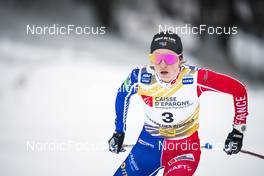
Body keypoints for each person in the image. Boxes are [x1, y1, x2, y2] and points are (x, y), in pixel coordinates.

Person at [108, 31, 248, 176]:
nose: (162, 64)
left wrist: (238, 131)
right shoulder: (140, 77)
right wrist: (119, 131)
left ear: (180, 59)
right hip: (147, 147)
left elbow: (238, 90)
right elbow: (122, 95)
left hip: (184, 150)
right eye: (156, 58)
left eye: (168, 58)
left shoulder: (195, 78)